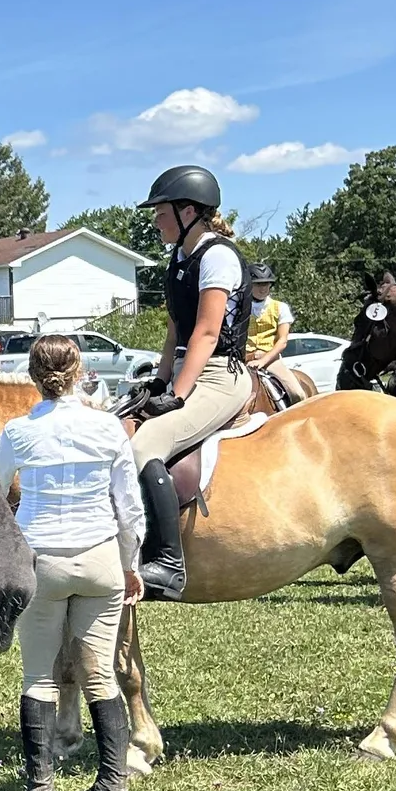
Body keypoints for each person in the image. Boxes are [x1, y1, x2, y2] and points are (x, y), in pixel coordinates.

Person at [0, 335, 144, 791]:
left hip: (42, 559)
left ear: (33, 377)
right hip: (100, 556)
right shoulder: (108, 429)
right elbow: (129, 508)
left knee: (38, 674)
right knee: (99, 674)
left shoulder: (17, 432)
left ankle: (40, 788)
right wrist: (130, 564)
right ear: (80, 372)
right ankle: (113, 785)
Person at [122, 163, 254, 600]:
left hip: (219, 376)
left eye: (160, 213)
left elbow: (207, 333)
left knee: (146, 445)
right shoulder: (179, 256)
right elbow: (175, 331)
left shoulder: (216, 256)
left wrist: (178, 394)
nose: (155, 220)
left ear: (189, 211)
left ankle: (167, 563)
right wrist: (160, 382)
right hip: (186, 369)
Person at [243, 264, 294, 373]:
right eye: (258, 285)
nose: (263, 289)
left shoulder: (281, 307)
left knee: (297, 390)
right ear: (249, 285)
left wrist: (263, 361)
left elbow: (282, 340)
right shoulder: (240, 308)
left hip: (271, 360)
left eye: (266, 284)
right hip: (243, 359)